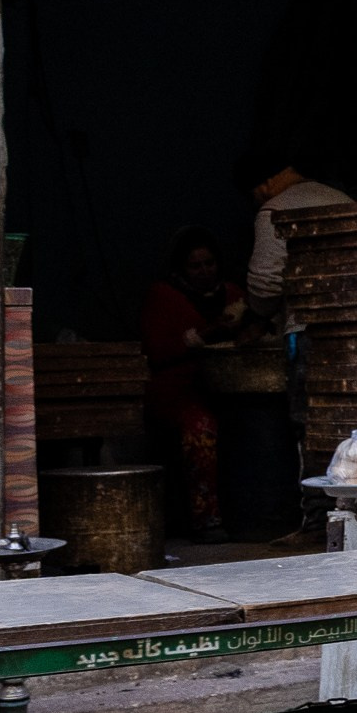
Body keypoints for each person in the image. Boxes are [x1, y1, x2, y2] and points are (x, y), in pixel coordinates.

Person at [141, 227, 249, 542]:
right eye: (195, 266)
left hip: (229, 387)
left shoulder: (231, 293)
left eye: (209, 263)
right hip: (178, 392)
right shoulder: (163, 296)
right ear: (181, 269)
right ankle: (206, 520)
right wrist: (206, 334)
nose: (204, 271)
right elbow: (157, 351)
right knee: (200, 427)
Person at [238, 152, 352, 316]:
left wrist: (258, 313)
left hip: (307, 326)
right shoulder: (343, 200)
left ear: (263, 185)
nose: (257, 203)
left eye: (253, 198)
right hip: (356, 320)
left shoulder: (275, 210)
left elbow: (265, 283)